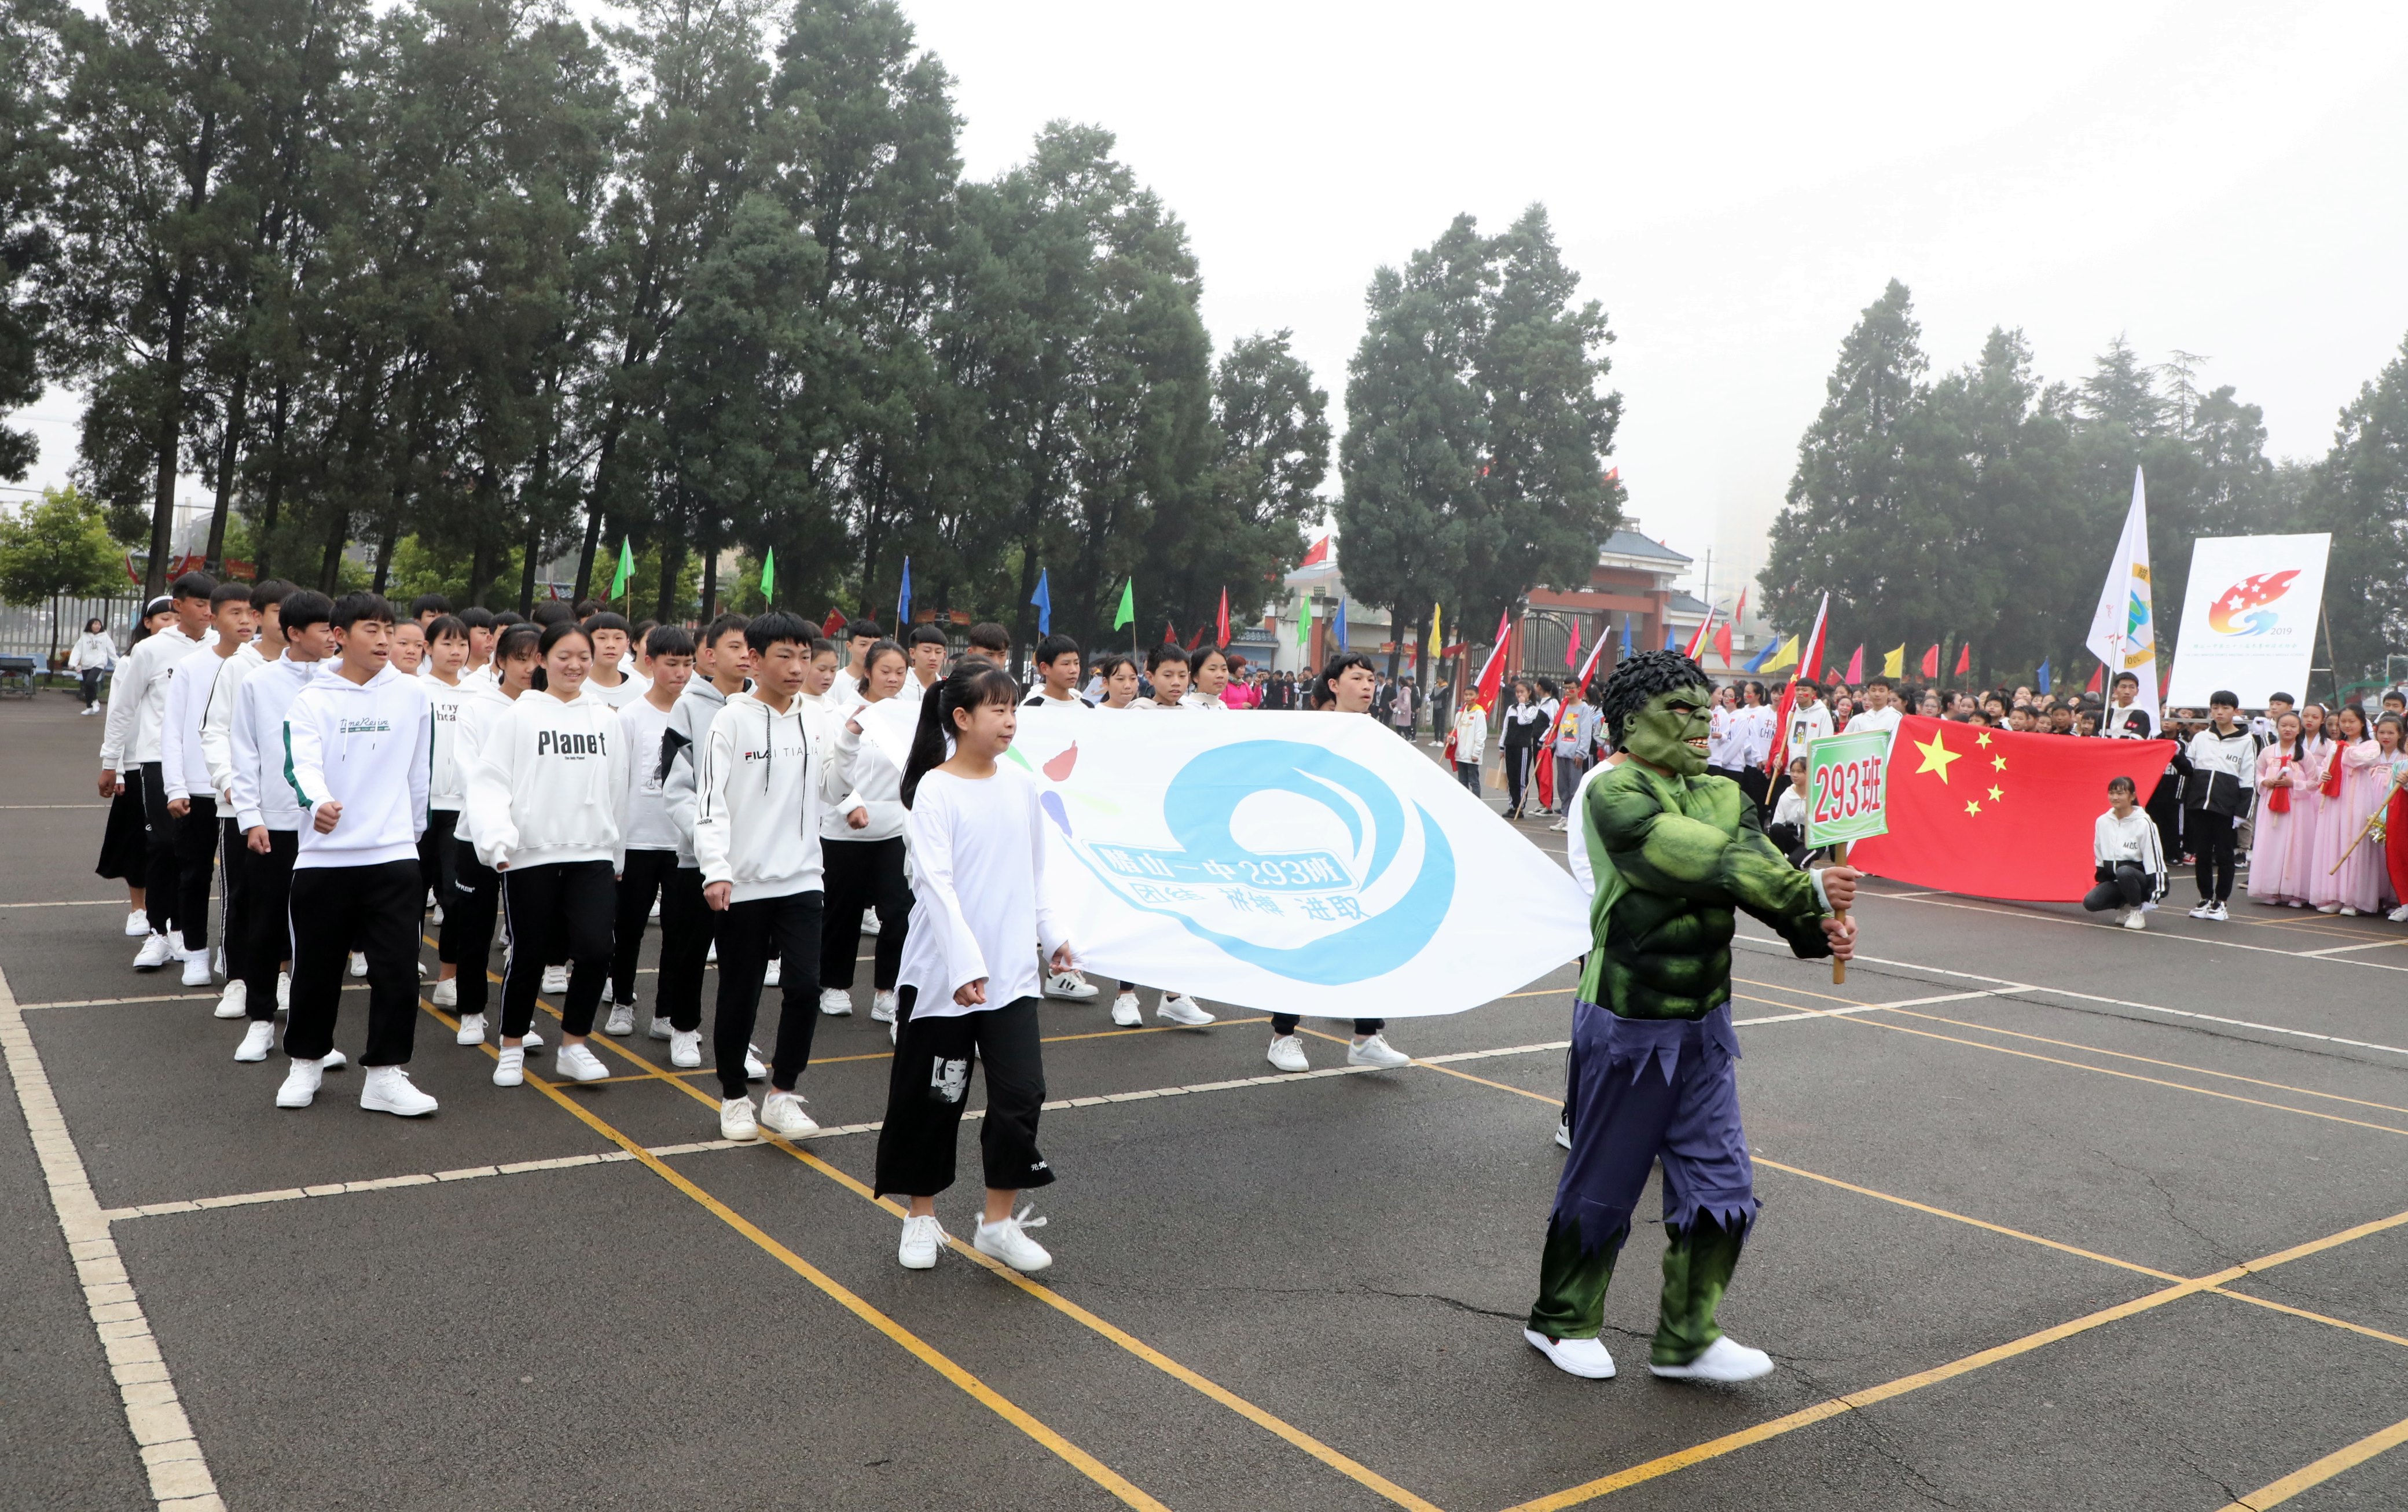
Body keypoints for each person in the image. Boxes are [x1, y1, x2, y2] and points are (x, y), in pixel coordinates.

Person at [1524, 648, 1855, 1385]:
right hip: (1626, 1019)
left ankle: (1686, 1335)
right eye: (1682, 709)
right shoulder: (1610, 790)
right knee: (1604, 1182)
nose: (1703, 722)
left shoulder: (1723, 794)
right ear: (1628, 722)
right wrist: (1804, 888)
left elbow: (1750, 861)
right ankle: (1561, 1318)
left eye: (1705, 707)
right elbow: (1690, 859)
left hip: (1706, 1023)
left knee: (1722, 1188)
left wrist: (1817, 925)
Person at [876, 660, 1075, 1274]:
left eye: (1014, 708)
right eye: (998, 709)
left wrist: (1054, 935)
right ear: (961, 718)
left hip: (1011, 975)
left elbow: (1037, 872)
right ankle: (919, 1215)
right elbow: (934, 886)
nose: (1011, 720)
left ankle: (996, 1222)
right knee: (933, 1097)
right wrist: (963, 964)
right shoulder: (935, 789)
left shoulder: (1019, 784)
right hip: (943, 980)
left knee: (1021, 1093)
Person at [272, 593, 438, 1117]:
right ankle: (306, 1061)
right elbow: (300, 763)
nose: (385, 639)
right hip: (325, 860)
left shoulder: (412, 696)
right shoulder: (312, 700)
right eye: (373, 629)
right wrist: (318, 802)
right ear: (340, 635)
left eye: (390, 629)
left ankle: (386, 1076)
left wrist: (409, 838)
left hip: (393, 857)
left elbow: (420, 773)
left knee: (397, 971)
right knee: (317, 970)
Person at [464, 619, 629, 1088]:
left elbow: (618, 787)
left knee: (598, 950)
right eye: (564, 657)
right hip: (530, 854)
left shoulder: (606, 720)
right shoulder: (519, 717)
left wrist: (616, 852)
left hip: (592, 852)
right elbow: (490, 781)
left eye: (583, 657)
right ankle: (512, 1044)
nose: (575, 665)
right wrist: (497, 841)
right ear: (543, 660)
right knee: (530, 953)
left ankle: (575, 1044)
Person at [692, 611, 834, 1142]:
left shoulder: (818, 717)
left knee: (805, 986)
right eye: (786, 656)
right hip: (743, 882)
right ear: (754, 659)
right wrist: (717, 870)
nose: (799, 668)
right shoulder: (730, 720)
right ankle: (733, 1096)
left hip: (802, 878)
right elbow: (709, 801)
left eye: (805, 656)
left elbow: (836, 789)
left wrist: (848, 746)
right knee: (740, 990)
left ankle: (781, 1094)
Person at [1264, 653, 1410, 1073]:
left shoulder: (1379, 736)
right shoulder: (1312, 733)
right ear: (1333, 685)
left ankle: (1367, 1037)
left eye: (1372, 679)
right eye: (1357, 678)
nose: (1368, 685)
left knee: (1368, 943)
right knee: (1302, 943)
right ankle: (1283, 1036)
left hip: (1361, 862)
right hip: (1312, 860)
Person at [224, 590, 335, 1058]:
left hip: (329, 825)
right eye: (325, 629)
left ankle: (313, 1037)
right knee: (266, 921)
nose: (334, 637)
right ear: (294, 633)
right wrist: (251, 818)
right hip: (274, 821)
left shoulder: (341, 682)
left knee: (320, 931)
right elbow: (244, 753)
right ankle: (261, 1021)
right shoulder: (259, 682)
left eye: (336, 629)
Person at [433, 624, 546, 1064]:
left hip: (532, 840)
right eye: (520, 658)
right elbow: (470, 771)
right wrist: (499, 813)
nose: (528, 667)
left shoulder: (547, 709)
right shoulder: (478, 708)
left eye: (537, 658)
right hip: (477, 834)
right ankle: (472, 1011)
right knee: (474, 925)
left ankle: (519, 1020)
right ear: (500, 661)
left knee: (527, 932)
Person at [101, 571, 218, 970]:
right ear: (178, 606)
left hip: (209, 764)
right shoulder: (150, 651)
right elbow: (122, 709)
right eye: (199, 604)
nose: (206, 612)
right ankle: (157, 933)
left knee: (198, 853)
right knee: (163, 845)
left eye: (211, 605)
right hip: (157, 760)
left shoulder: (225, 649)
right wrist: (110, 764)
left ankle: (186, 932)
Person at [157, 583, 258, 988]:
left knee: (244, 883)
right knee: (195, 874)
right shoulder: (193, 666)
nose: (246, 620)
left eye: (251, 612)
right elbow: (174, 730)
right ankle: (196, 953)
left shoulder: (262, 666)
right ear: (214, 618)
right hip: (199, 789)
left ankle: (239, 958)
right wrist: (175, 787)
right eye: (236, 613)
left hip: (244, 792)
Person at [603, 625, 696, 1036]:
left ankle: (665, 1012)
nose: (680, 673)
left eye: (687, 664)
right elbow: (617, 786)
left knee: (679, 931)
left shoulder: (696, 715)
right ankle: (622, 1001)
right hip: (638, 840)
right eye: (671, 664)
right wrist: (616, 849)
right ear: (650, 662)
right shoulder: (630, 717)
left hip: (682, 844)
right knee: (628, 928)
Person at [818, 637, 912, 1025]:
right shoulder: (840, 714)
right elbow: (829, 767)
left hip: (894, 829)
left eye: (900, 673)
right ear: (868, 671)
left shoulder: (910, 717)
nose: (892, 679)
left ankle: (887, 991)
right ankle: (835, 985)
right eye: (885, 671)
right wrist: (849, 804)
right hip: (844, 828)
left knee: (899, 913)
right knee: (844, 910)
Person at [2184, 692, 2257, 921]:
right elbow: (2190, 769)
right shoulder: (2201, 738)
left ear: (2235, 711)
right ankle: (2205, 898)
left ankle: (2221, 902)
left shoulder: (2246, 741)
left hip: (2226, 809)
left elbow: (2248, 780)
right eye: (2215, 707)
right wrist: (2175, 757)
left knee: (2225, 856)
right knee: (2202, 854)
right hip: (2199, 806)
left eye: (2225, 708)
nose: (2219, 712)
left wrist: (2241, 814)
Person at [2311, 704, 2387, 916]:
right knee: (2334, 841)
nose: (2346, 725)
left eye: (2351, 721)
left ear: (2362, 722)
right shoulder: (2336, 746)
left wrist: (2344, 749)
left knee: (2354, 841)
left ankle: (2353, 899)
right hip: (2336, 797)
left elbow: (2364, 761)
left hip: (2358, 796)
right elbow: (2326, 765)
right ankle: (2335, 895)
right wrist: (2323, 774)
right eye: (2342, 722)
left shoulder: (2371, 745)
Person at [2083, 776, 2166, 929]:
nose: (2115, 797)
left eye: (2120, 793)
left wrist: (2154, 894)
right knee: (2090, 902)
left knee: (2125, 872)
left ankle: (2136, 911)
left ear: (2132, 796)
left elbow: (2154, 859)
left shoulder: (2145, 824)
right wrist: (2104, 880)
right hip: (2118, 879)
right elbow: (2099, 853)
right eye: (2111, 793)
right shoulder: (2102, 821)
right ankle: (2125, 905)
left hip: (2138, 878)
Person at [1548, 685, 1600, 832]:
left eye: (1571, 688)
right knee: (1563, 787)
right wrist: (1550, 744)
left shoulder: (1584, 709)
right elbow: (1556, 727)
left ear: (1579, 689)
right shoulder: (1563, 706)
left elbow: (1585, 733)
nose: (1568, 691)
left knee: (1574, 788)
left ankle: (1574, 819)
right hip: (1562, 753)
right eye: (1565, 688)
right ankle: (1564, 817)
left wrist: (1581, 753)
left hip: (1574, 755)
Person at [578, 611, 647, 707]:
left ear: (627, 644)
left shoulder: (639, 688)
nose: (611, 645)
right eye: (602, 638)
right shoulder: (577, 685)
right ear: (587, 642)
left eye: (618, 638)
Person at [1500, 680, 1546, 819]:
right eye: (1517, 692)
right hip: (1510, 745)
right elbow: (1505, 728)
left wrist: (1521, 705)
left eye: (1522, 692)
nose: (1519, 694)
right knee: (1511, 777)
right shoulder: (1511, 708)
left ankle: (1520, 806)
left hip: (1523, 746)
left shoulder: (1533, 708)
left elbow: (1523, 720)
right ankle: (1512, 805)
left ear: (1529, 693)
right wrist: (1502, 747)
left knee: (1521, 777)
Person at [1764, 757, 1811, 864]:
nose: (1795, 775)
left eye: (1799, 772)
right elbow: (1777, 823)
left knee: (1795, 862)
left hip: (1811, 842)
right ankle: (1779, 862)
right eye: (1792, 771)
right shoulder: (1786, 796)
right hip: (1793, 838)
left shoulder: (1817, 795)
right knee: (1775, 828)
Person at [67, 615, 115, 714]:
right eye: (95, 624)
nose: (98, 626)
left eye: (99, 624)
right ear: (90, 625)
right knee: (87, 686)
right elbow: (78, 650)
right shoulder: (84, 637)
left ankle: (95, 702)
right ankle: (89, 707)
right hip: (86, 664)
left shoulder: (104, 637)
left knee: (90, 682)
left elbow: (111, 650)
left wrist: (117, 663)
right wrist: (73, 663)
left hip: (99, 663)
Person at [1449, 688, 1488, 792]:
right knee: (1462, 782)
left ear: (1477, 696)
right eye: (1466, 694)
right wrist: (1452, 740)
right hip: (1461, 754)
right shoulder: (1461, 713)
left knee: (1473, 782)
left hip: (1472, 755)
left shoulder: (1479, 713)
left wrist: (1477, 752)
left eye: (1471, 695)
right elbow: (1456, 733)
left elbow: (1481, 734)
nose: (1468, 697)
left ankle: (1476, 806)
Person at [897, 623, 946, 702]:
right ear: (912, 653)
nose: (933, 658)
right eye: (927, 651)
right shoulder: (900, 685)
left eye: (938, 652)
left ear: (944, 654)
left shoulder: (946, 689)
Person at [2101, 671, 2155, 739]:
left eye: (2132, 688)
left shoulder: (2142, 717)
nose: (2127, 692)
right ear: (2115, 690)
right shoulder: (2105, 715)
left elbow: (2136, 744)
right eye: (2123, 687)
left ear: (2137, 692)